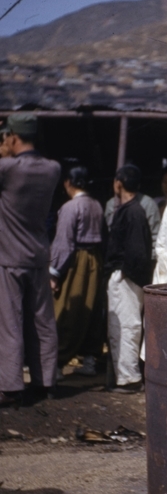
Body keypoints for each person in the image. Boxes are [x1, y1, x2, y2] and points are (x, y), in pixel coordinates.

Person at [0, 113, 60, 406]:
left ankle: (11, 387)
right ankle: (46, 381)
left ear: (12, 137)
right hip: (39, 254)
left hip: (9, 257)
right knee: (43, 322)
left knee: (10, 323)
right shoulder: (52, 169)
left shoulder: (8, 168)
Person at [49, 165, 104, 378]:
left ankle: (56, 364)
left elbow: (64, 243)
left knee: (68, 309)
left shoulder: (71, 207)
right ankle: (89, 359)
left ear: (68, 183)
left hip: (76, 260)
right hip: (94, 260)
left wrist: (54, 272)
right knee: (90, 308)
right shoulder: (96, 205)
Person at [105, 164, 152, 393]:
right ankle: (126, 376)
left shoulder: (132, 212)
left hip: (127, 276)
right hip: (128, 275)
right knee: (124, 326)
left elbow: (136, 252)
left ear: (118, 183)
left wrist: (126, 273)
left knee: (125, 326)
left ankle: (129, 378)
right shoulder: (133, 210)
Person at [104, 177, 160, 256]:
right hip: (117, 258)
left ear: (117, 185)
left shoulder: (148, 204)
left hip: (141, 258)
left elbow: (155, 236)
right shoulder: (111, 204)